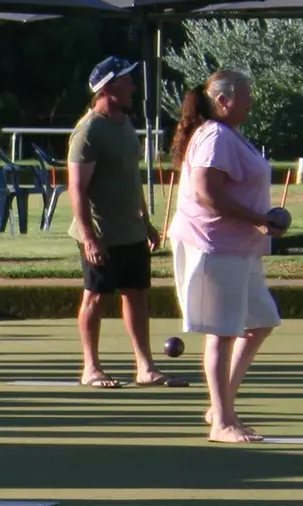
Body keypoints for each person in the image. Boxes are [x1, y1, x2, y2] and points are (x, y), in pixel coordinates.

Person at [170, 68, 285, 444]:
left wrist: (258, 224)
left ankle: (221, 406)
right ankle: (222, 422)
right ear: (223, 100)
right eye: (246, 95)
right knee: (221, 333)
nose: (251, 102)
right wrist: (259, 219)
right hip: (213, 245)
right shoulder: (215, 136)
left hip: (240, 248)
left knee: (260, 321)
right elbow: (207, 193)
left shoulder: (230, 135)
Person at [68, 56, 168, 390]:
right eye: (127, 80)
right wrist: (89, 238)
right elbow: (77, 189)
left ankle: (145, 367)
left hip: (132, 231)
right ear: (110, 86)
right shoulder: (88, 131)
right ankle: (91, 368)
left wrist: (147, 222)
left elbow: (132, 179)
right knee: (95, 297)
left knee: (137, 295)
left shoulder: (125, 124)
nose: (133, 86)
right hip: (101, 233)